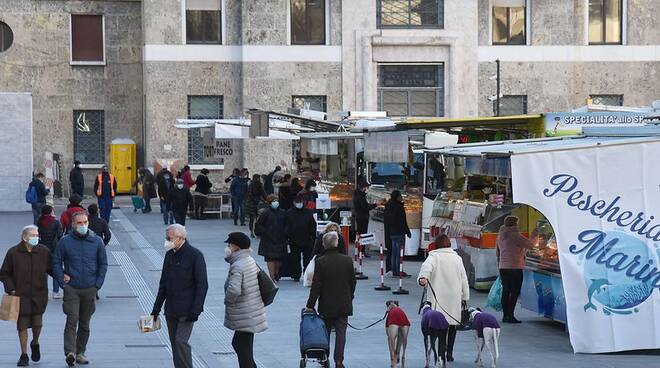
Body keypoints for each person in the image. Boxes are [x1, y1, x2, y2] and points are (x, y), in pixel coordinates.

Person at [52, 211, 108, 366]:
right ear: (73, 224)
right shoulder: (65, 241)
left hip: (90, 287)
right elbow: (56, 261)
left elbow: (103, 263)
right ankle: (70, 351)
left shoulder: (96, 241)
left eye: (85, 222)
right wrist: (62, 280)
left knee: (85, 322)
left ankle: (80, 352)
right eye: (79, 223)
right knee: (72, 319)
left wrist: (97, 284)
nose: (82, 225)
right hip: (72, 288)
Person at [151, 224, 208, 368]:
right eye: (166, 238)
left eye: (169, 238)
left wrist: (196, 309)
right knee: (174, 345)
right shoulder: (169, 254)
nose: (167, 241)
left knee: (180, 342)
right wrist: (156, 309)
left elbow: (202, 285)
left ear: (181, 238)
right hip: (171, 309)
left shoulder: (195, 255)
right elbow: (163, 283)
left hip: (187, 309)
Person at [0, 225, 53, 367]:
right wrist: (11, 289)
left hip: (39, 294)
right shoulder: (13, 253)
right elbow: (4, 273)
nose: (36, 237)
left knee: (37, 323)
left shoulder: (44, 251)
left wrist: (64, 278)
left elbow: (52, 268)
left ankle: (35, 342)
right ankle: (23, 354)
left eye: (37, 235)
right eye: (33, 235)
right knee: (22, 326)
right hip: (20, 295)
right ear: (24, 237)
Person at [305, 232, 356, 368]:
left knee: (325, 332)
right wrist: (350, 297)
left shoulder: (320, 261)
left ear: (323, 245)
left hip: (326, 304)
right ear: (337, 243)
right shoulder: (347, 260)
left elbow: (316, 286)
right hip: (344, 303)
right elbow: (353, 282)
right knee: (341, 334)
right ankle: (339, 361)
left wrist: (310, 304)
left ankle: (324, 357)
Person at [417, 234, 469, 363]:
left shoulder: (434, 256)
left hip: (438, 297)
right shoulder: (457, 258)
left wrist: (423, 278)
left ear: (437, 245)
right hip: (454, 296)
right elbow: (464, 279)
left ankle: (440, 352)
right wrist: (465, 296)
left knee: (439, 325)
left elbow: (426, 269)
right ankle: (449, 353)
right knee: (452, 324)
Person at [223, 232, 267, 368]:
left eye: (229, 244)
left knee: (241, 346)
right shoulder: (248, 260)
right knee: (243, 346)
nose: (227, 247)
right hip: (251, 310)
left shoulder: (238, 265)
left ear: (236, 247)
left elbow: (234, 290)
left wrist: (228, 301)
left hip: (244, 312)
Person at [496, 215, 535, 324]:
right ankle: (511, 315)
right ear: (514, 224)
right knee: (515, 291)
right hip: (514, 267)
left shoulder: (500, 235)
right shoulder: (515, 235)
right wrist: (535, 235)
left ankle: (505, 316)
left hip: (503, 266)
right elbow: (531, 245)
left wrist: (498, 263)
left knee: (506, 290)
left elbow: (497, 251)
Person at [255, 195, 287, 281]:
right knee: (270, 258)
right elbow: (259, 224)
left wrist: (286, 232)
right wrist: (264, 231)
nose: (275, 202)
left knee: (279, 259)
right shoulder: (266, 213)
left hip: (280, 238)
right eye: (273, 201)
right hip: (268, 239)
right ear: (269, 203)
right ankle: (272, 276)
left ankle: (276, 271)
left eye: (276, 200)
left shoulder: (283, 212)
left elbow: (287, 224)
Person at [284, 195, 317, 275]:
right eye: (298, 202)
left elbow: (312, 225)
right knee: (295, 259)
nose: (299, 204)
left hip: (307, 240)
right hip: (294, 240)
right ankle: (296, 274)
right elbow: (287, 226)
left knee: (307, 258)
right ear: (294, 203)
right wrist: (287, 236)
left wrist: (312, 236)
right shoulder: (289, 213)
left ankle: (306, 273)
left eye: (301, 202)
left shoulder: (308, 212)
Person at [37, 205, 64, 298]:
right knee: (55, 269)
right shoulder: (56, 222)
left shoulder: (39, 221)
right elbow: (60, 235)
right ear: (51, 212)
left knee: (43, 270)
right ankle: (55, 292)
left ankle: (43, 291)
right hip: (54, 248)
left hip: (42, 247)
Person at [384, 190, 411, 277]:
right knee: (399, 253)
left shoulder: (388, 206)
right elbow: (402, 221)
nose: (402, 197)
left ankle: (394, 269)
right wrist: (407, 231)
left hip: (392, 232)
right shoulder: (399, 207)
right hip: (399, 233)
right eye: (400, 196)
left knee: (394, 253)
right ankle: (399, 270)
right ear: (397, 197)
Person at [353, 182, 377, 256]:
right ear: (364, 188)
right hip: (363, 217)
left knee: (360, 233)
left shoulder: (356, 195)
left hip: (359, 216)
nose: (367, 189)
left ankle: (360, 251)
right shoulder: (361, 197)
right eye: (367, 187)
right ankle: (362, 251)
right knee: (363, 234)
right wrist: (375, 205)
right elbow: (366, 207)